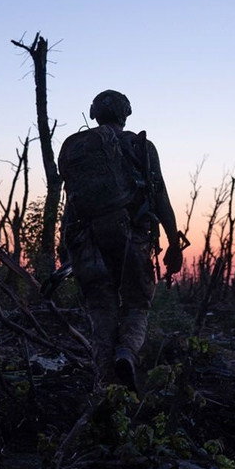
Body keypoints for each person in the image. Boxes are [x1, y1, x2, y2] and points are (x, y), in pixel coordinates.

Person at [57, 90, 186, 388]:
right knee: (137, 304)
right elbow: (160, 195)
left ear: (93, 114)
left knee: (101, 307)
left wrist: (66, 244)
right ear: (126, 114)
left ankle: (103, 380)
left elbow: (71, 199)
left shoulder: (72, 146)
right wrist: (174, 243)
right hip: (130, 236)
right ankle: (127, 351)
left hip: (85, 237)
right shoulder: (141, 146)